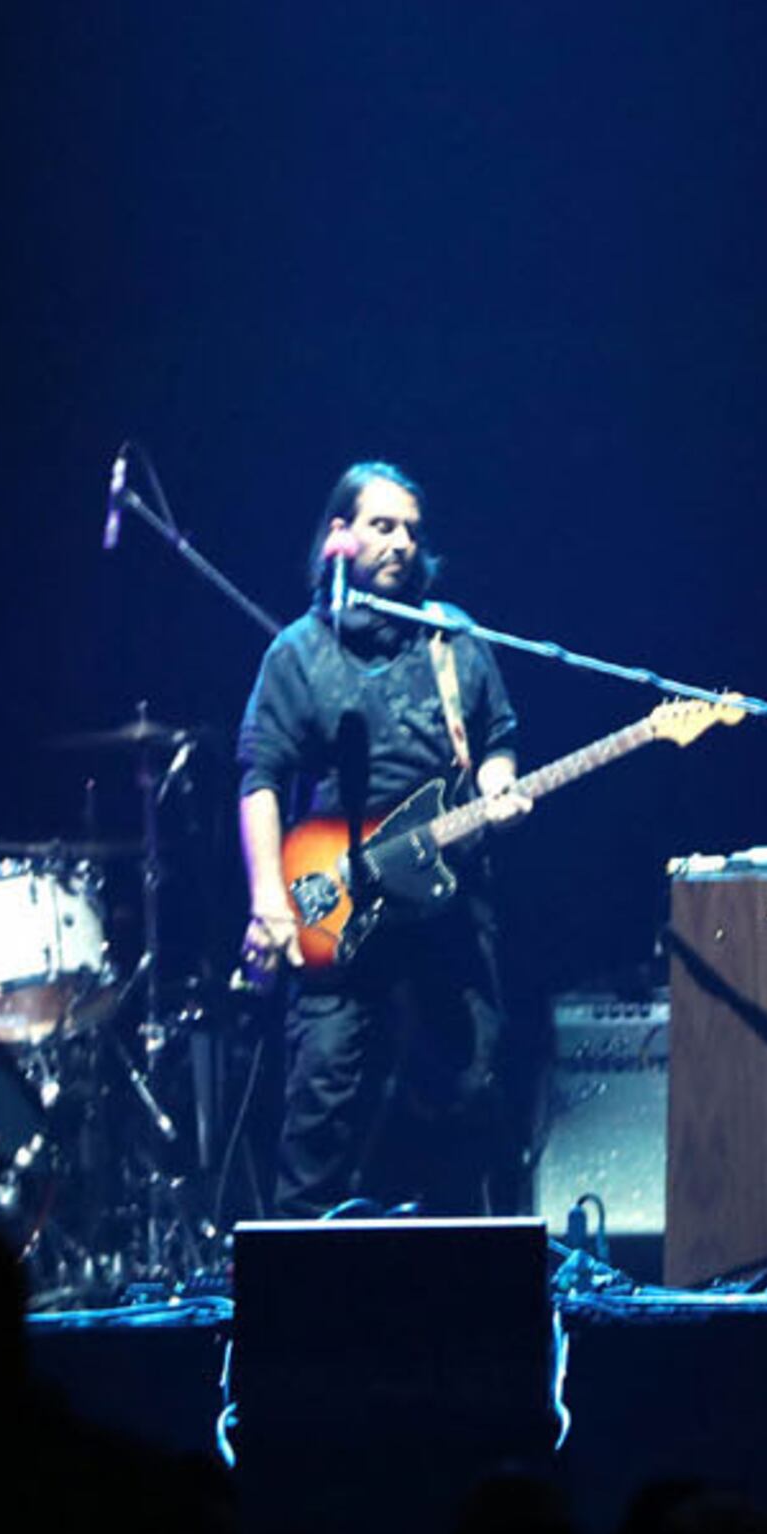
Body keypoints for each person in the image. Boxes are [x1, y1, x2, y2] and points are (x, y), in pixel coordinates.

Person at [236, 462, 529, 1214]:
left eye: (410, 530)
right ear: (339, 536)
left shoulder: (452, 637)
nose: (401, 541)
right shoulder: (298, 653)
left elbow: (497, 737)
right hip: (337, 904)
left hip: (447, 908)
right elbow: (260, 777)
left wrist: (497, 782)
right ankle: (297, 1295)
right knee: (323, 1111)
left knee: (468, 1097)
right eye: (382, 525)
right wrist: (268, 897)